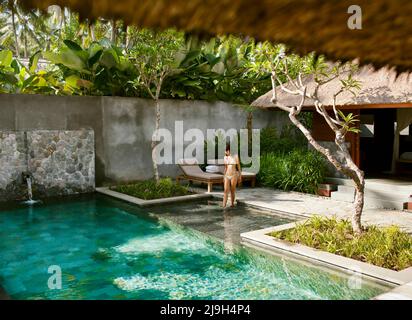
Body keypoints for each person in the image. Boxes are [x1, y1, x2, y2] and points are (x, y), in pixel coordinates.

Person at [222, 143, 241, 208]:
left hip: (234, 175)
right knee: (225, 191)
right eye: (226, 151)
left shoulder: (236, 156)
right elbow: (226, 167)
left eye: (227, 150)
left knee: (232, 190)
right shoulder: (225, 157)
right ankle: (223, 205)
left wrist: (240, 176)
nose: (226, 152)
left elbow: (238, 166)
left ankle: (232, 204)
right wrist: (224, 176)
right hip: (227, 175)